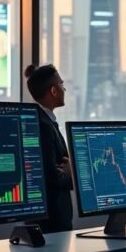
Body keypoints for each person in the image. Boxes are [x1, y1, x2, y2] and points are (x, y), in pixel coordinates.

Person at [24, 64, 74, 233]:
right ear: (53, 91)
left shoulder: (41, 120)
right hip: (52, 222)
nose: (64, 89)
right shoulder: (43, 125)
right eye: (61, 84)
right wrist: (73, 173)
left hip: (49, 219)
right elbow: (52, 176)